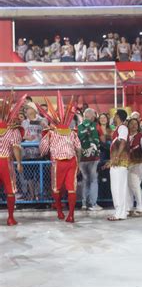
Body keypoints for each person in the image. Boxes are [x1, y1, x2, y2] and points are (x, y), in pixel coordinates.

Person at [38, 93, 81, 223]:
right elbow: (79, 148)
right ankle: (69, 214)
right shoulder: (72, 132)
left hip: (59, 162)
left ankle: (61, 212)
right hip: (71, 161)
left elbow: (42, 150)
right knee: (70, 188)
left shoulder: (50, 133)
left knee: (58, 188)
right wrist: (78, 162)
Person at [0, 95, 26, 225]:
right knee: (10, 190)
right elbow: (16, 148)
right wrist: (19, 163)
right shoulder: (13, 129)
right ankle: (10, 218)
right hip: (5, 161)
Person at [106, 109, 130, 221]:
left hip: (119, 162)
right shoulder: (118, 129)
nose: (113, 118)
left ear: (118, 117)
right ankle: (120, 213)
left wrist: (116, 157)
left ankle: (120, 213)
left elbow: (123, 142)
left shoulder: (123, 128)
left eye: (114, 116)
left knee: (118, 188)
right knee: (116, 188)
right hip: (116, 162)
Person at [77, 108, 102, 212]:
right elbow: (102, 138)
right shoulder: (96, 126)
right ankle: (93, 204)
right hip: (93, 157)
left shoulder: (77, 127)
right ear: (92, 116)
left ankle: (84, 203)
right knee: (93, 180)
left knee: (85, 180)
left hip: (81, 158)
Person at [126, 118, 142, 217]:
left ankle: (140, 209)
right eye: (131, 124)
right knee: (129, 186)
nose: (134, 125)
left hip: (140, 163)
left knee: (135, 184)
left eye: (136, 124)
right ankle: (130, 208)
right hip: (129, 164)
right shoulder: (127, 137)